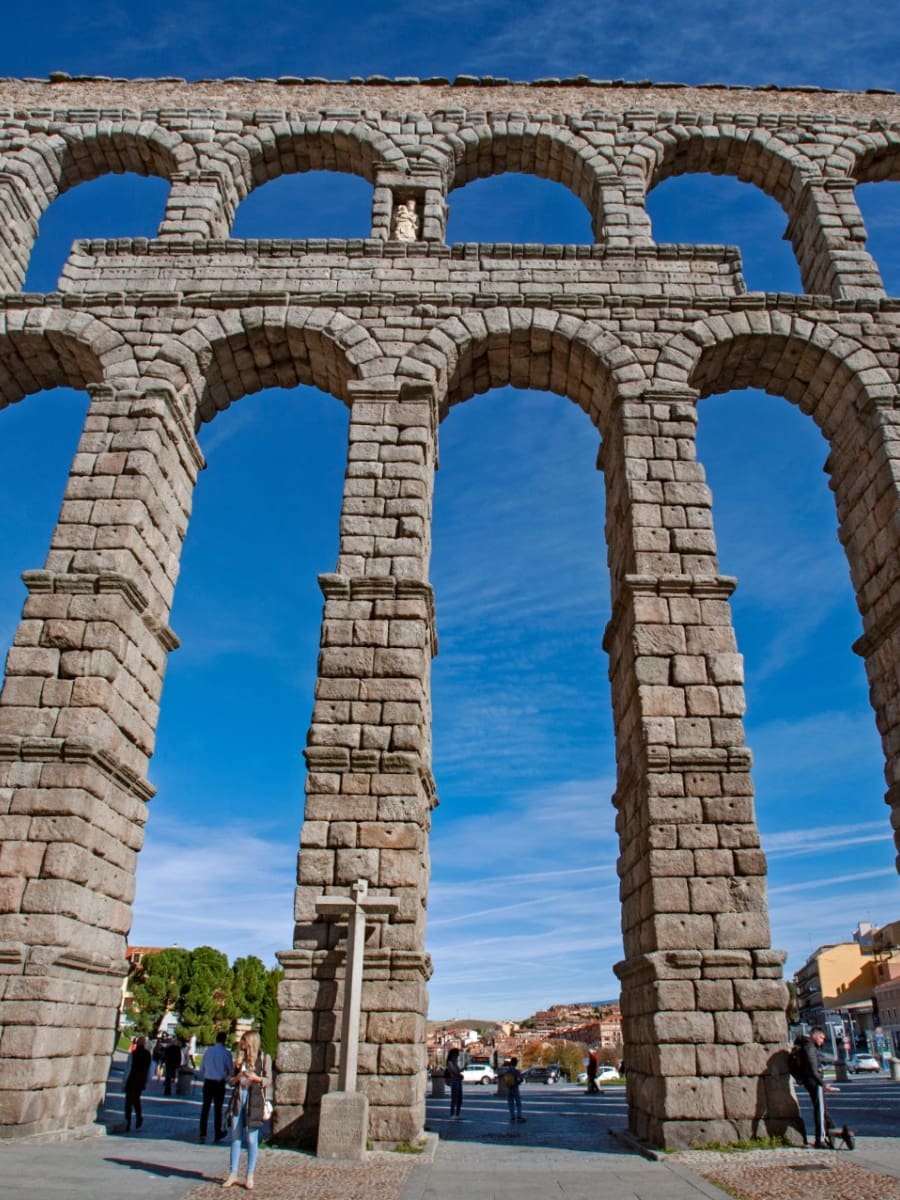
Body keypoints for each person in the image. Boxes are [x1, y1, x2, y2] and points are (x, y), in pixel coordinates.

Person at [223, 1031, 272, 1190]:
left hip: (255, 1101)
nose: (241, 1043)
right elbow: (230, 1080)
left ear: (250, 1042)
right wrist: (237, 1078)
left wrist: (255, 1078)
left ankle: (250, 1175)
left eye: (243, 1040)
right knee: (235, 1137)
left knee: (251, 1139)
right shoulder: (239, 1059)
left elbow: (268, 1080)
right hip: (239, 1100)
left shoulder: (264, 1058)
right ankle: (233, 1173)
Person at [792, 1027, 854, 1149]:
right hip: (814, 1082)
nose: (822, 1041)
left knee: (821, 1108)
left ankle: (831, 1127)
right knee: (819, 1110)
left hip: (810, 1081)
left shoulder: (807, 1046)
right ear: (815, 1036)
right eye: (821, 1038)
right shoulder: (810, 1047)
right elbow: (813, 1069)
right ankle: (820, 1139)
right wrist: (823, 1084)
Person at [199, 1032, 234, 1143]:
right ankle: (218, 1132)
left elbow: (202, 1068)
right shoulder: (226, 1053)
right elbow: (230, 1069)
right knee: (218, 1109)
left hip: (208, 1081)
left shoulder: (208, 1051)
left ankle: (202, 1133)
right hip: (219, 1082)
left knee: (205, 1108)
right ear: (225, 1040)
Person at [123, 1036, 152, 1132]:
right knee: (136, 1100)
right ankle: (139, 1117)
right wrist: (147, 1081)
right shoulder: (147, 1055)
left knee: (128, 1102)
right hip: (140, 1081)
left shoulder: (133, 1054)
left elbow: (128, 1069)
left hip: (131, 1079)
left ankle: (128, 1121)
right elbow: (149, 1070)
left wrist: (124, 1082)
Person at [501, 1057, 525, 1123]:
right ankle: (519, 1116)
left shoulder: (507, 1071)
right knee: (518, 1103)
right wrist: (517, 1083)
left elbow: (504, 1079)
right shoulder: (516, 1071)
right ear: (516, 1063)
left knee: (510, 1103)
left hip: (509, 1088)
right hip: (515, 1088)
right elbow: (521, 1079)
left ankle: (512, 1117)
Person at [444, 1047, 463, 1120]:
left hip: (458, 1080)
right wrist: (459, 1074)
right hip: (454, 1081)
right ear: (453, 1055)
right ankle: (452, 1114)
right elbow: (455, 1072)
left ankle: (457, 1114)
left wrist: (462, 1069)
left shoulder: (455, 1062)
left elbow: (458, 1071)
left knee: (460, 1098)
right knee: (454, 1098)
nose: (457, 1056)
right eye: (457, 1054)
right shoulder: (450, 1063)